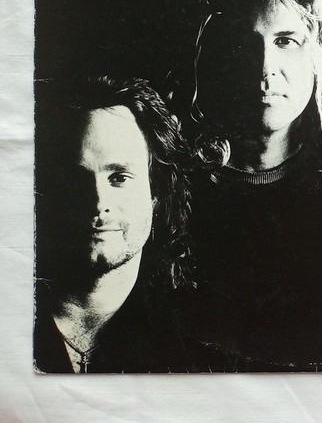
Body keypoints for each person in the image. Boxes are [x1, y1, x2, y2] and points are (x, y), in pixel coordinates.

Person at [184, 0, 322, 369]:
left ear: (321, 55)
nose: (265, 67)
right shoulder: (177, 189)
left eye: (286, 41)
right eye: (244, 43)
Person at [34, 76, 199, 373]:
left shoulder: (195, 345)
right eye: (76, 180)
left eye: (119, 178)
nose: (99, 202)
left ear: (157, 193)